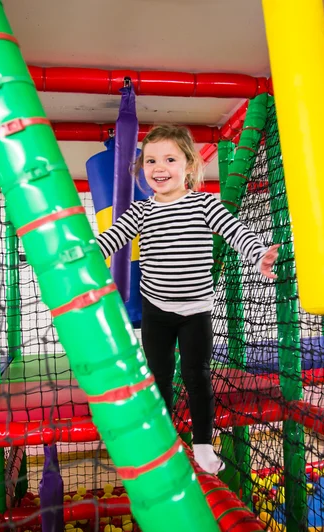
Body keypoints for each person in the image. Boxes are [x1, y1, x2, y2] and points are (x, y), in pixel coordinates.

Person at [96, 124, 279, 474]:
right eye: (150, 160)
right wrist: (72, 257)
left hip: (196, 310)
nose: (159, 167)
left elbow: (236, 232)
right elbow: (108, 241)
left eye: (169, 158)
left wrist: (258, 255)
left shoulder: (204, 204)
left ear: (189, 166)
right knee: (159, 375)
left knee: (198, 377)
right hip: (156, 309)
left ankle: (203, 445)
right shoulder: (140, 212)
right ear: (142, 168)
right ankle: (164, 442)